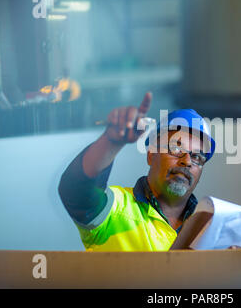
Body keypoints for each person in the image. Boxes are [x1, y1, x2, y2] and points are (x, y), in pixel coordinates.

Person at [58, 92, 216, 251]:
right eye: (176, 148)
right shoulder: (115, 210)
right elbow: (75, 190)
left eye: (196, 156)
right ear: (151, 155)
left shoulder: (209, 230)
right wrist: (111, 141)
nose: (187, 161)